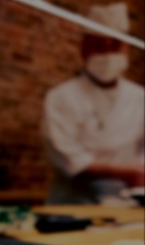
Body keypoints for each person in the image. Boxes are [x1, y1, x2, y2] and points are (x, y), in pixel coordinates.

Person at [42, 2, 144, 205]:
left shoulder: (140, 97)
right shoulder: (60, 97)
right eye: (99, 46)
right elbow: (69, 159)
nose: (107, 55)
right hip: (71, 206)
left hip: (128, 207)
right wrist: (128, 172)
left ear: (126, 50)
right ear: (84, 48)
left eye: (115, 45)